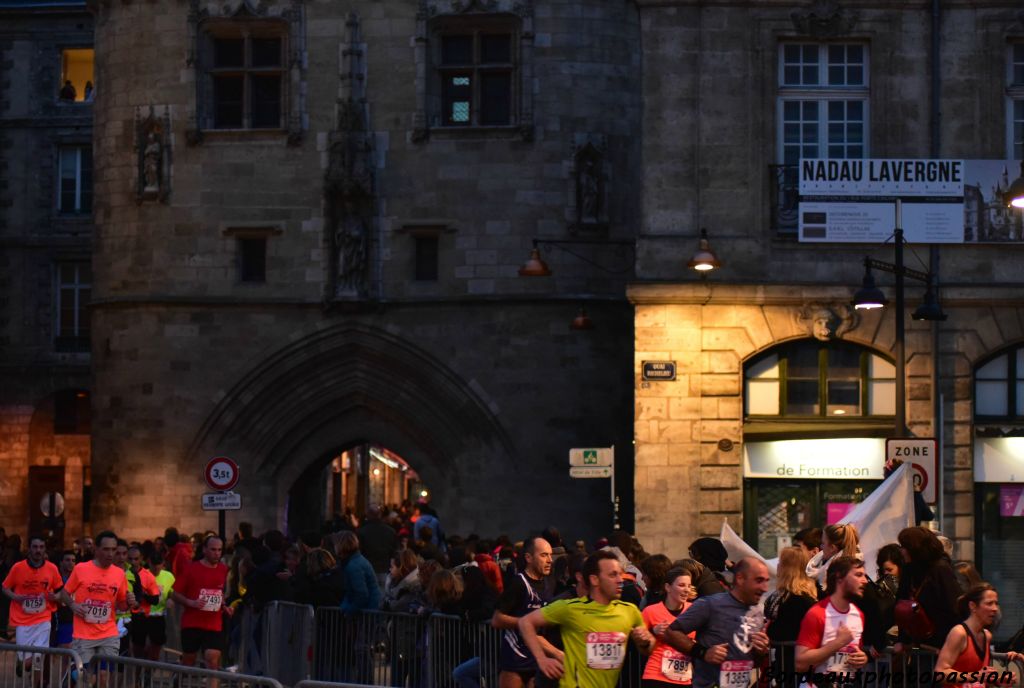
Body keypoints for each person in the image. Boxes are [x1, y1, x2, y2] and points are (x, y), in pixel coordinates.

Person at [518, 550, 654, 688]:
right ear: (594, 579)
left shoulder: (629, 611)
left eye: (620, 574)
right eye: (613, 575)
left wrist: (645, 642)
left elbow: (648, 648)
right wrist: (542, 659)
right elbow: (525, 622)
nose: (620, 580)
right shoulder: (569, 608)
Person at [660, 557, 771, 688]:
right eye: (759, 580)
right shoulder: (711, 604)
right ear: (740, 578)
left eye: (766, 581)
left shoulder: (757, 612)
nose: (765, 588)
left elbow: (754, 662)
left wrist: (761, 652)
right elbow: (671, 632)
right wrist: (703, 653)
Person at [56, 530, 134, 672]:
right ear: (96, 549)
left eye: (113, 549)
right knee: (86, 678)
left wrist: (129, 602)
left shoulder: (119, 574)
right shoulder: (81, 569)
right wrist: (73, 605)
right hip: (83, 634)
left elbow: (122, 605)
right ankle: (71, 678)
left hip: (109, 633)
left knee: (104, 677)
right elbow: (64, 594)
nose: (110, 554)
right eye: (106, 549)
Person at [492, 536, 556, 687]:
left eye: (550, 555)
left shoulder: (550, 583)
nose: (549, 560)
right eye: (544, 555)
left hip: (540, 660)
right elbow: (496, 619)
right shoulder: (518, 583)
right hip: (516, 662)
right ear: (528, 558)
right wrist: (526, 623)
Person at [794, 556, 870, 681]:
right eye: (858, 575)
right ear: (839, 577)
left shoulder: (859, 614)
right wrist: (838, 642)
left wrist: (862, 658)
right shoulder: (817, 613)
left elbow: (852, 652)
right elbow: (800, 664)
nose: (865, 581)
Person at [934, 583, 1023, 684]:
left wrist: (1001, 679)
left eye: (996, 603)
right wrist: (976, 676)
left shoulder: (987, 635)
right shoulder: (959, 633)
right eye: (989, 603)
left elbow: (981, 678)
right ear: (973, 606)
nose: (995, 609)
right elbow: (939, 673)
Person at [1, 535, 64, 674]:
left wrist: (56, 596)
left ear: (45, 549)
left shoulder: (52, 568)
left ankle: (36, 682)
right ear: (29, 549)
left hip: (43, 619)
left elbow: (61, 592)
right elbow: (4, 587)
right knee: (26, 662)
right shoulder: (18, 568)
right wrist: (16, 597)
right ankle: (21, 662)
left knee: (38, 658)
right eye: (35, 547)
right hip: (22, 621)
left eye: (41, 547)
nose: (38, 550)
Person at [171, 536, 231, 675]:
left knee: (212, 660)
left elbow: (219, 593)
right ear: (204, 550)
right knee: (189, 662)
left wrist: (224, 606)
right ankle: (178, 676)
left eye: (219, 550)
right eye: (213, 549)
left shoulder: (223, 570)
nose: (217, 553)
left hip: (214, 624)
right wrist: (191, 602)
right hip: (192, 623)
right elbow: (175, 594)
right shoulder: (191, 568)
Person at [894, 526, 960, 649]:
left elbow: (954, 609)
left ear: (915, 548)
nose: (901, 551)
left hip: (940, 645)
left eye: (904, 546)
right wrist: (902, 639)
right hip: (919, 642)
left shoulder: (940, 569)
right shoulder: (909, 570)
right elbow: (901, 602)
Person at [763, 547, 818, 683]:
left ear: (788, 568)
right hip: (781, 662)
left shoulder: (800, 600)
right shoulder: (782, 595)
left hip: (793, 665)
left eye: (781, 562)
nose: (777, 566)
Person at [642, 566, 695, 687]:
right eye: (681, 585)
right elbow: (638, 644)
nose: (687, 590)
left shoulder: (693, 611)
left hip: (685, 679)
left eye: (689, 586)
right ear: (668, 587)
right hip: (656, 677)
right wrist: (652, 632)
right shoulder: (650, 611)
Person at [125, 545, 162, 659]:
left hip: (140, 616)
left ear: (141, 559)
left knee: (138, 649)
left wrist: (141, 595)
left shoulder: (148, 576)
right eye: (130, 559)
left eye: (136, 559)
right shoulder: (121, 573)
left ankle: (137, 675)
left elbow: (155, 600)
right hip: (122, 615)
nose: (133, 562)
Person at [336, 531, 381, 612]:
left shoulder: (354, 566)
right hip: (371, 607)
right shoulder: (356, 560)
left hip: (369, 610)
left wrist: (349, 610)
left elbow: (361, 594)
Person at [144, 553, 175, 660]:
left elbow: (172, 592)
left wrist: (171, 599)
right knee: (142, 647)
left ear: (163, 564)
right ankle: (140, 670)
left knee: (156, 645)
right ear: (149, 563)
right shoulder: (142, 575)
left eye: (159, 565)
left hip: (159, 615)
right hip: (143, 614)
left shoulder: (169, 576)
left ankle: (150, 670)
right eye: (154, 565)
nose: (156, 568)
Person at [357, 505, 398, 585]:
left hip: (368, 568)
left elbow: (359, 552)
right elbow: (395, 551)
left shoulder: (362, 532)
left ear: (368, 515)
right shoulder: (390, 531)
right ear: (380, 515)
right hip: (385, 568)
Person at [55, 550, 77, 648]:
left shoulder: (78, 579)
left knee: (66, 649)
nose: (71, 563)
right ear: (61, 562)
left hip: (69, 620)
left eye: (73, 560)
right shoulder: (55, 577)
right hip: (54, 619)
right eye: (67, 560)